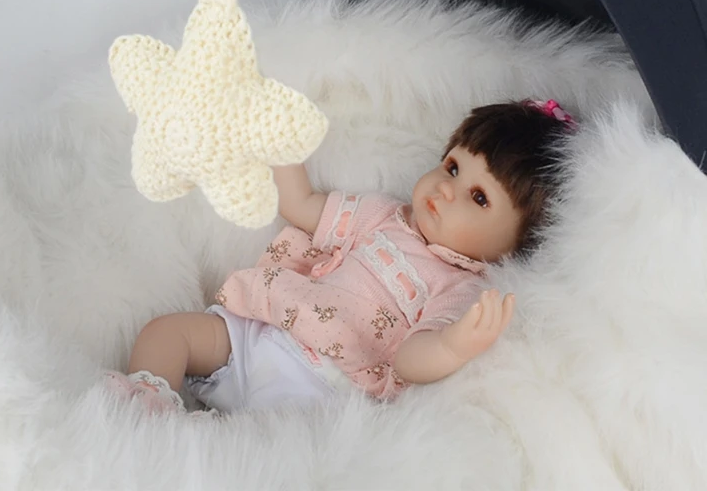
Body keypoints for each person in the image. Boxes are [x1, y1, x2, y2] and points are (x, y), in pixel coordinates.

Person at [105, 99, 575, 414]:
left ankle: (208, 452)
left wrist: (454, 347)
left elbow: (411, 359)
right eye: (452, 167)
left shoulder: (461, 287)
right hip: (265, 330)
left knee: (270, 453)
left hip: (323, 387)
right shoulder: (384, 215)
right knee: (167, 332)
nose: (447, 190)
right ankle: (148, 407)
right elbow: (302, 204)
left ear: (512, 245)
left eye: (478, 197)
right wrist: (283, 149)